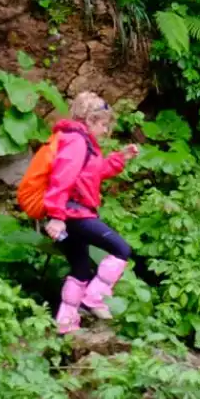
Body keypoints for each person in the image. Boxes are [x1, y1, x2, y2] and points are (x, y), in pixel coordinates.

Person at [41, 92, 140, 334]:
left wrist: (120, 158)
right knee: (121, 249)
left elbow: (91, 174)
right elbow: (62, 177)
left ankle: (65, 324)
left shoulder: (81, 143)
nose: (106, 131)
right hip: (74, 214)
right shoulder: (76, 141)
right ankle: (94, 299)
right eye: (103, 124)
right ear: (90, 120)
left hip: (70, 214)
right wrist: (57, 215)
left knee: (81, 269)